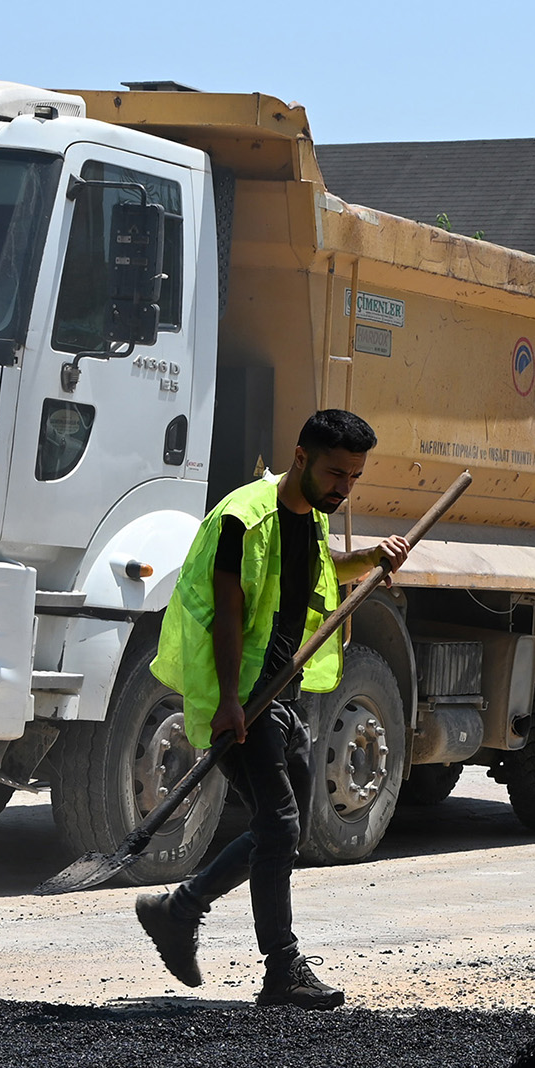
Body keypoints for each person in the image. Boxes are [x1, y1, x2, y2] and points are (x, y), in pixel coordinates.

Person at [135, 410, 408, 1010]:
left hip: (283, 692)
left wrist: (370, 559)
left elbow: (320, 575)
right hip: (243, 696)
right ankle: (282, 969)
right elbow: (228, 612)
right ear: (301, 457)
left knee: (281, 829)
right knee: (279, 826)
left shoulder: (311, 516)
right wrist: (231, 702)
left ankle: (178, 910)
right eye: (336, 473)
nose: (344, 487)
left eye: (354, 477)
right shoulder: (244, 518)